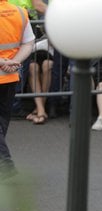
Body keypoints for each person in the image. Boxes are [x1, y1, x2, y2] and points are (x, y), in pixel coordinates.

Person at [0, 0, 35, 180]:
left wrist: (3, 62)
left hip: (5, 70)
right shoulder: (19, 12)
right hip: (10, 77)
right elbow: (29, 42)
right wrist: (15, 62)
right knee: (3, 120)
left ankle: (5, 166)